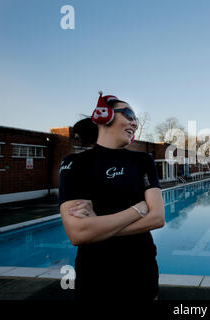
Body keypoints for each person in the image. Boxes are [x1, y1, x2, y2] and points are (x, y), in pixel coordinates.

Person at [58, 91, 165, 300]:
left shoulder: (143, 160)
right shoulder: (74, 163)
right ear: (103, 115)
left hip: (142, 270)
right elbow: (78, 233)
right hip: (96, 274)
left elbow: (158, 217)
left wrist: (97, 227)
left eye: (136, 118)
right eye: (128, 114)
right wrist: (138, 209)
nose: (134, 123)